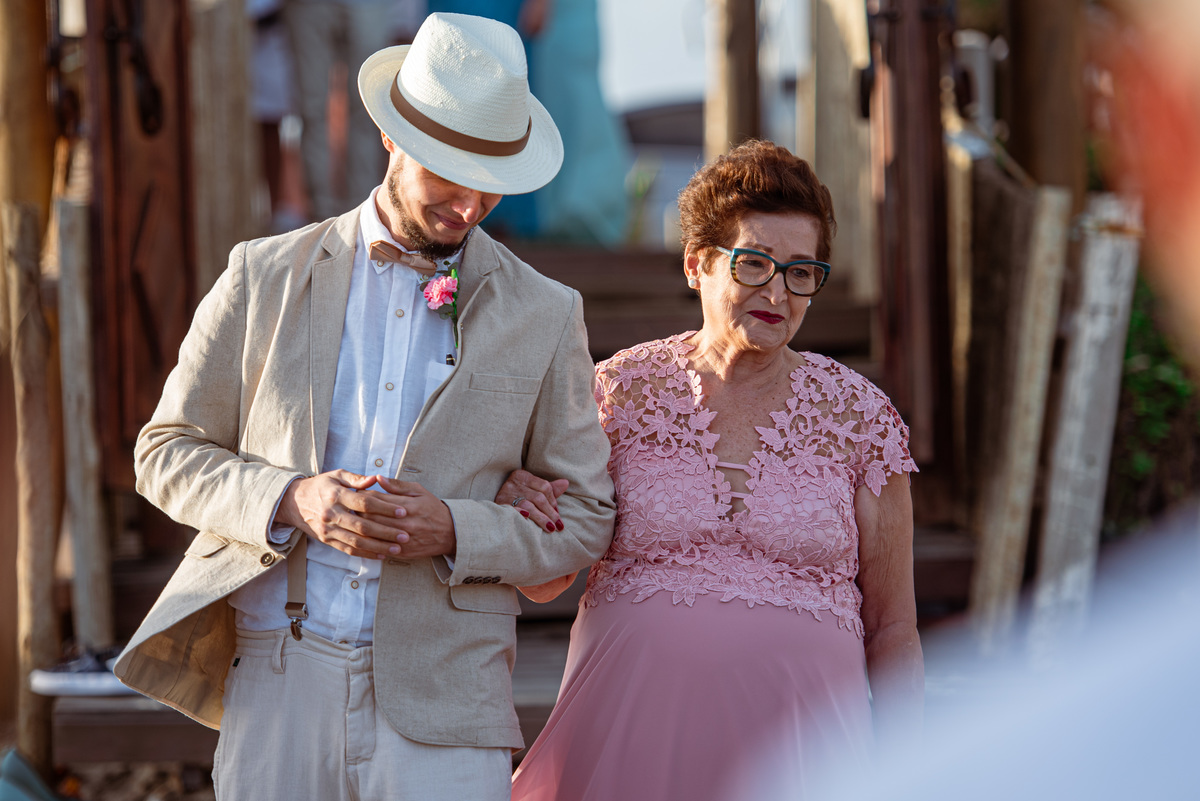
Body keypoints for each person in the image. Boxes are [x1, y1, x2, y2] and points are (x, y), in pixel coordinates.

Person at [113, 13, 615, 801]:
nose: (472, 200)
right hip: (276, 677)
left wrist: (455, 525)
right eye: (450, 169)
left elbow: (587, 516)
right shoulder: (262, 273)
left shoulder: (548, 312)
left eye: (493, 176)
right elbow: (164, 450)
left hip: (450, 699)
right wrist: (293, 497)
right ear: (389, 135)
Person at [505, 140, 925, 800]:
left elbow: (894, 624)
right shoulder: (618, 390)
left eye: (800, 272)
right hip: (628, 745)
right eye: (755, 264)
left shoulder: (860, 416)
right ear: (698, 264)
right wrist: (527, 508)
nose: (777, 293)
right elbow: (545, 582)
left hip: (808, 757)